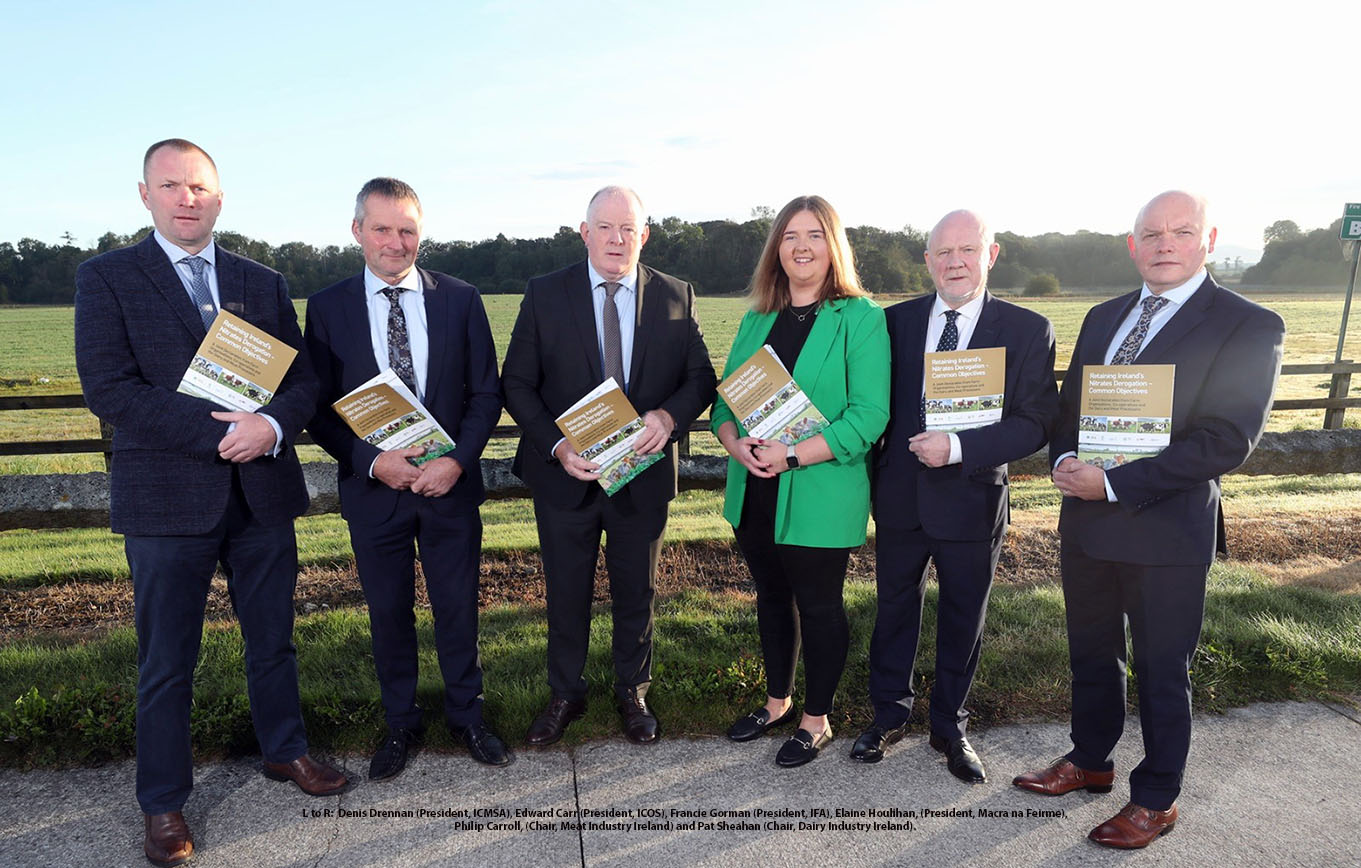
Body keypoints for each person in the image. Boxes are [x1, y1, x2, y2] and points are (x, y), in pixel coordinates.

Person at [74, 139, 346, 868]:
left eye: (199, 187)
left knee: (274, 639)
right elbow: (110, 388)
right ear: (145, 195)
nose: (186, 198)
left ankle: (285, 752)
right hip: (166, 500)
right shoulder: (106, 277)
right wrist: (219, 436)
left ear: (218, 197)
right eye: (171, 186)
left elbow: (302, 378)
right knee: (167, 660)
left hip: (261, 495)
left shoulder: (261, 279)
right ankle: (162, 802)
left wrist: (274, 425)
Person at [1013, 191, 1285, 849]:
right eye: (1150, 233)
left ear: (1207, 239)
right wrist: (1069, 458)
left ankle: (1156, 798)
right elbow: (1068, 412)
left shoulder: (1247, 322)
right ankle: (1089, 760)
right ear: (1132, 244)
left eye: (1180, 231)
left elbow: (1224, 440)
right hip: (1087, 523)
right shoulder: (1103, 316)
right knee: (1090, 654)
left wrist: (1112, 482)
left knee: (1162, 669)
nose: (1165, 243)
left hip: (1167, 530)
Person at [304, 178, 508, 777]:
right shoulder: (327, 307)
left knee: (457, 610)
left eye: (407, 230)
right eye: (382, 228)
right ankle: (400, 725)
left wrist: (457, 461)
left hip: (449, 490)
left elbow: (486, 392)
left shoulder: (460, 299)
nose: (395, 242)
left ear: (422, 233)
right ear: (357, 231)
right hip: (375, 493)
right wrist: (371, 461)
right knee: (388, 613)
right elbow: (317, 407)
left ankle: (467, 717)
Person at [502, 186, 716, 745]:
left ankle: (632, 691)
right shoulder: (545, 294)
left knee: (635, 591)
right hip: (565, 476)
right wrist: (558, 446)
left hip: (641, 476)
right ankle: (565, 693)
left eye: (629, 229)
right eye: (605, 227)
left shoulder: (675, 294)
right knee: (565, 590)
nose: (617, 239)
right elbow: (517, 383)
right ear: (585, 231)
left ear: (644, 235)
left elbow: (701, 379)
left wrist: (669, 418)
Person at [854, 210, 1058, 781]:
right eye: (943, 252)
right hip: (898, 497)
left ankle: (950, 727)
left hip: (972, 497)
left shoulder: (1025, 329)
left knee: (963, 616)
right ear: (927, 261)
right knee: (894, 608)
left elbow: (1036, 422)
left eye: (967, 250)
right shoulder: (892, 324)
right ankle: (888, 715)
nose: (955, 262)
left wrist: (962, 446)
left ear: (990, 255)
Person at [712, 195, 890, 767]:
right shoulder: (756, 317)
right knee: (771, 599)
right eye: (790, 236)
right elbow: (726, 406)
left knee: (818, 606)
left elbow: (867, 418)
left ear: (833, 245)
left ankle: (816, 720)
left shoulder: (860, 318)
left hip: (818, 488)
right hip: (754, 489)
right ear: (777, 248)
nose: (802, 246)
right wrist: (733, 443)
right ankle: (777, 702)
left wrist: (791, 457)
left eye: (814, 234)